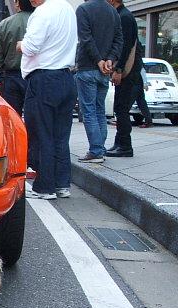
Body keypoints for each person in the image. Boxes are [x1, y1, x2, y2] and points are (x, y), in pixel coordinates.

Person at [17, 0, 78, 200]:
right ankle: (62, 184)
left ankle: (44, 187)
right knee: (61, 136)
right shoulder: (67, 8)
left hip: (44, 78)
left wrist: (20, 45)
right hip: (67, 78)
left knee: (42, 134)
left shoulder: (42, 12)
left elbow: (32, 46)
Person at [75, 0, 122, 164]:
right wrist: (109, 59)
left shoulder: (83, 9)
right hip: (105, 70)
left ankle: (95, 151)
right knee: (99, 110)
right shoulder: (112, 11)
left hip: (88, 66)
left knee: (88, 111)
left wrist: (98, 60)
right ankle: (99, 149)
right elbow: (118, 39)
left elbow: (85, 39)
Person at [105, 0, 143, 157]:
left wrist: (119, 69)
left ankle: (125, 146)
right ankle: (119, 142)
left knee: (122, 108)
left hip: (128, 71)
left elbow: (125, 46)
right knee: (120, 108)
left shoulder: (124, 17)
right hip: (129, 70)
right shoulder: (122, 15)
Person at [0, 0, 35, 116]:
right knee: (36, 118)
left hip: (12, 77)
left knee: (12, 117)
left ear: (18, 3)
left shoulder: (5, 24)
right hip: (36, 76)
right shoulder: (41, 22)